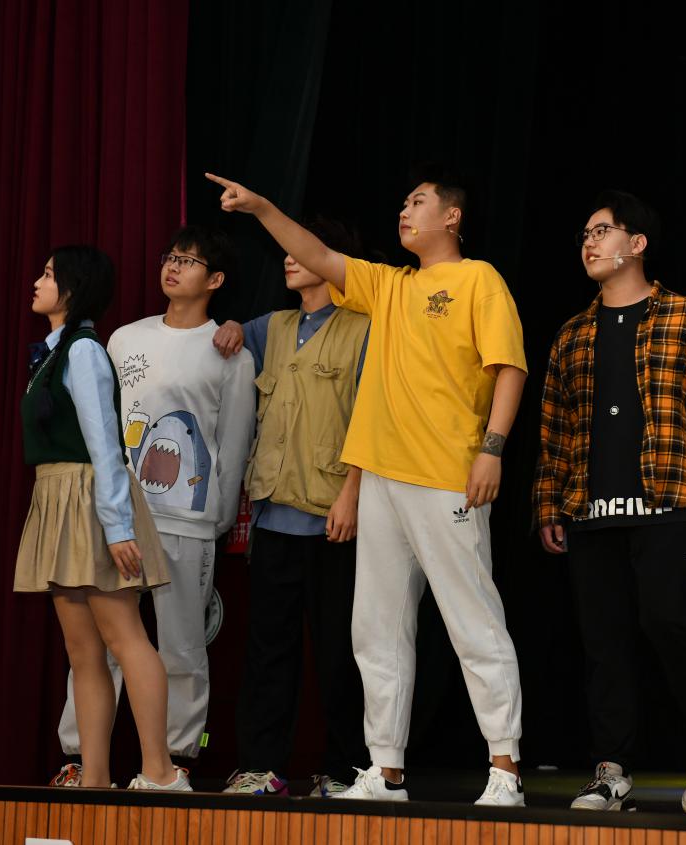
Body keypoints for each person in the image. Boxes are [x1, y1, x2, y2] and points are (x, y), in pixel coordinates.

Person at [206, 167, 528, 806]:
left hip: (447, 476)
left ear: (452, 216)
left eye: (418, 201)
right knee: (375, 629)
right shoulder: (389, 284)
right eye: (403, 201)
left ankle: (505, 769)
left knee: (473, 622)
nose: (404, 210)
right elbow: (317, 254)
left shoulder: (479, 279)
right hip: (381, 478)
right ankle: (386, 771)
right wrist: (263, 208)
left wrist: (491, 450)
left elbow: (509, 367)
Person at [533, 191, 686, 815]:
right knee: (604, 644)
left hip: (671, 503)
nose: (589, 243)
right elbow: (555, 430)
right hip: (591, 512)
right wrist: (549, 505)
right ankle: (611, 769)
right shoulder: (573, 334)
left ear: (638, 243)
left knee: (671, 622)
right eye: (584, 235)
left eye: (602, 231)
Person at [50, 227, 256, 786]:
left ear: (215, 279)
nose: (174, 267)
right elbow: (100, 424)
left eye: (189, 261)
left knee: (182, 644)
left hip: (187, 517)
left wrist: (215, 520)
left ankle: (175, 761)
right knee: (103, 644)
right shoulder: (124, 338)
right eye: (171, 257)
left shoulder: (229, 354)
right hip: (118, 514)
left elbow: (234, 444)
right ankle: (82, 759)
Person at [15, 245, 188, 791]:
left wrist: (116, 528)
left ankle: (161, 773)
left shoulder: (85, 351)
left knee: (125, 638)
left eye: (49, 274)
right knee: (82, 650)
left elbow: (105, 445)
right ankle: (95, 779)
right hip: (57, 499)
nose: (38, 281)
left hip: (88, 497)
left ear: (72, 288)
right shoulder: (52, 353)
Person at [211, 218, 370, 799]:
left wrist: (352, 495)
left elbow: (371, 420)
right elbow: (230, 336)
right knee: (266, 653)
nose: (288, 258)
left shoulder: (364, 329)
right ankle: (261, 767)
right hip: (273, 516)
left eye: (301, 250)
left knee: (340, 654)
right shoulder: (273, 326)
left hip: (334, 518)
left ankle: (346, 770)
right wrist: (231, 325)